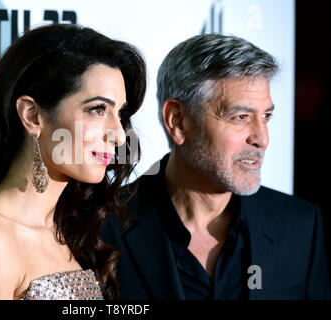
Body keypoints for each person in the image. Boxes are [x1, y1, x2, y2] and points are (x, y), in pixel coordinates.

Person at [101, 33, 330, 299]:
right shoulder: (103, 226)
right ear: (178, 121)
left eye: (266, 116)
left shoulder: (299, 225)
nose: (262, 139)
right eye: (241, 116)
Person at [0, 23, 147, 300]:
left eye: (119, 113)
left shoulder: (68, 231)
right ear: (32, 116)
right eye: (97, 109)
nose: (118, 136)